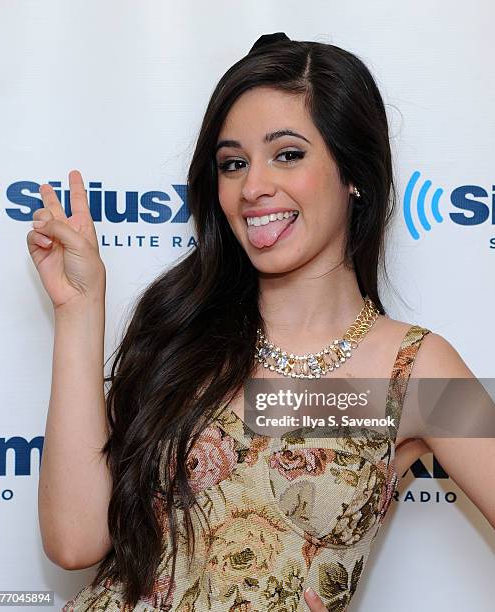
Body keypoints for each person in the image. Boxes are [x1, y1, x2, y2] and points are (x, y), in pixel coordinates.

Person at [28, 33, 495, 612]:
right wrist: (79, 310)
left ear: (354, 173)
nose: (253, 187)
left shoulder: (410, 374)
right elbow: (75, 542)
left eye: (288, 154)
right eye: (233, 163)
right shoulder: (184, 332)